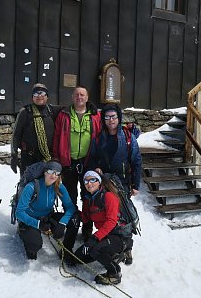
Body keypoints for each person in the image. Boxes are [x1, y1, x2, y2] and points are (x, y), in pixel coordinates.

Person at [88, 103, 142, 264]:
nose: (110, 120)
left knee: (124, 214)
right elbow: (92, 158)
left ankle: (127, 247)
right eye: (107, 117)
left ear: (118, 118)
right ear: (103, 119)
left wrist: (136, 185)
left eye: (113, 116)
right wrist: (94, 168)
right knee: (110, 214)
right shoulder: (99, 138)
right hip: (104, 182)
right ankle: (114, 244)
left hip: (123, 182)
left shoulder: (127, 137)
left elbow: (137, 161)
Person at [52, 86, 101, 239]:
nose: (79, 97)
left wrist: (98, 161)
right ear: (73, 97)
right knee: (69, 197)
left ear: (87, 97)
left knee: (88, 197)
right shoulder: (64, 115)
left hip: (88, 163)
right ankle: (72, 226)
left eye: (82, 94)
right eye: (77, 94)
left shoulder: (95, 115)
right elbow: (57, 136)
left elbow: (100, 138)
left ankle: (87, 229)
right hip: (68, 163)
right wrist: (55, 157)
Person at [73, 171, 133, 285]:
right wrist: (76, 215)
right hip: (105, 235)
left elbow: (111, 221)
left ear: (99, 182)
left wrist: (94, 238)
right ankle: (114, 254)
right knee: (79, 258)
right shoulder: (89, 199)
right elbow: (86, 219)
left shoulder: (109, 196)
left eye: (92, 180)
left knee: (95, 249)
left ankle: (115, 273)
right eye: (86, 181)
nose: (89, 183)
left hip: (118, 235)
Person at [15, 161, 80, 261]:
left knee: (74, 218)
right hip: (30, 219)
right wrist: (38, 224)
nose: (54, 176)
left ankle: (67, 249)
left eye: (57, 173)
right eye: (51, 171)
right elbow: (19, 212)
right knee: (35, 245)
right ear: (45, 172)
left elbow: (71, 208)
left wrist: (63, 223)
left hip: (47, 217)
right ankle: (24, 233)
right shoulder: (31, 187)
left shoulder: (58, 186)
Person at [11, 83, 63, 176]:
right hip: (29, 159)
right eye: (36, 94)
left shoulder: (51, 110)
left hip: (48, 158)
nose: (39, 96)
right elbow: (16, 135)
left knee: (46, 187)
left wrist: (88, 105)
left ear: (47, 96)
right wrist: (14, 155)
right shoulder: (25, 112)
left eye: (42, 93)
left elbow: (73, 108)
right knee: (28, 188)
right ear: (32, 97)